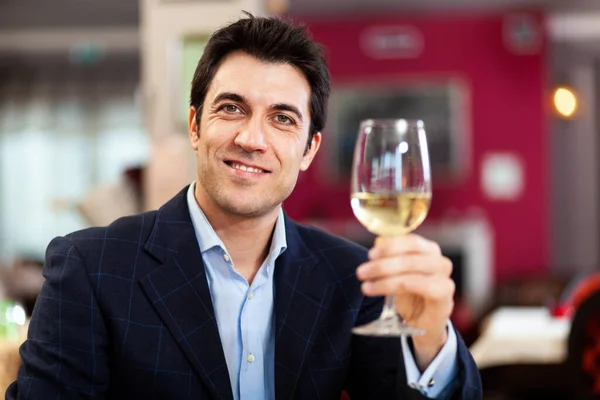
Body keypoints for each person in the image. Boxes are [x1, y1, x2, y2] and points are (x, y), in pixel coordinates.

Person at [7, 12, 481, 400]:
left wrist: (430, 340)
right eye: (231, 108)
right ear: (195, 126)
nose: (251, 139)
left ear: (310, 149)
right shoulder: (90, 267)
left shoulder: (353, 278)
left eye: (282, 118)